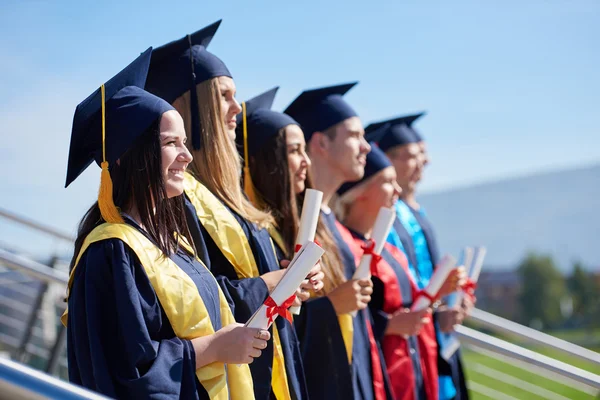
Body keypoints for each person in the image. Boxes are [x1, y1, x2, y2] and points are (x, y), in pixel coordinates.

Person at [62, 48, 263, 399]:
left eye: (184, 142)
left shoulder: (173, 244)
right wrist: (214, 348)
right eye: (171, 143)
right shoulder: (112, 252)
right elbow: (126, 372)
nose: (186, 156)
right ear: (127, 156)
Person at [145, 22, 315, 400]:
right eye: (223, 96)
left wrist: (288, 281)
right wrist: (267, 286)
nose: (237, 108)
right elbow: (187, 299)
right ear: (187, 107)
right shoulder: (174, 198)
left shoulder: (228, 197)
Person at [284, 83, 391, 400]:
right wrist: (331, 307)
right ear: (320, 143)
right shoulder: (296, 222)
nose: (367, 147)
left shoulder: (330, 220)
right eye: (354, 136)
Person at [366, 113, 469, 400]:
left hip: (425, 335)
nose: (424, 162)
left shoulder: (413, 213)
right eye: (412, 155)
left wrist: (448, 299)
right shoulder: (381, 218)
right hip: (399, 345)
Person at [335, 143, 443, 400]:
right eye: (387, 182)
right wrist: (389, 325)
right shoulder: (342, 248)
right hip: (379, 374)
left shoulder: (389, 251)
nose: (397, 191)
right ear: (360, 192)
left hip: (410, 370)